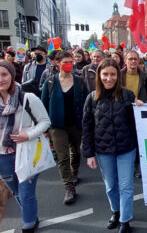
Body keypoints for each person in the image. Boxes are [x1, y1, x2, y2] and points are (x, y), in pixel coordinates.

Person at [83, 58, 142, 233]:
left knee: (126, 186)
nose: (109, 78)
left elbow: (135, 122)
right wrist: (89, 153)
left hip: (126, 148)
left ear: (118, 75)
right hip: (103, 150)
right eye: (105, 74)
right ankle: (115, 212)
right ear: (99, 76)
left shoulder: (127, 95)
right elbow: (87, 127)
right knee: (110, 186)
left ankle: (125, 220)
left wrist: (139, 107)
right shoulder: (91, 98)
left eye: (113, 74)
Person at [0, 61, 51, 233]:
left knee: (26, 192)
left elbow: (45, 122)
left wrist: (27, 135)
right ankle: (31, 214)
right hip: (3, 157)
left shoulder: (27, 98)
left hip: (27, 152)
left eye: (4, 74)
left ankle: (28, 224)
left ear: (12, 75)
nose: (1, 79)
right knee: (16, 192)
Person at [41, 51, 89, 205]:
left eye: (71, 61)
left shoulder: (80, 81)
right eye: (65, 62)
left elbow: (87, 102)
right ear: (57, 63)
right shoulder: (50, 82)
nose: (69, 64)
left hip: (76, 124)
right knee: (62, 157)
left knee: (75, 151)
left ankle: (75, 172)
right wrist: (44, 128)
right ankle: (69, 187)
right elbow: (43, 106)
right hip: (57, 126)